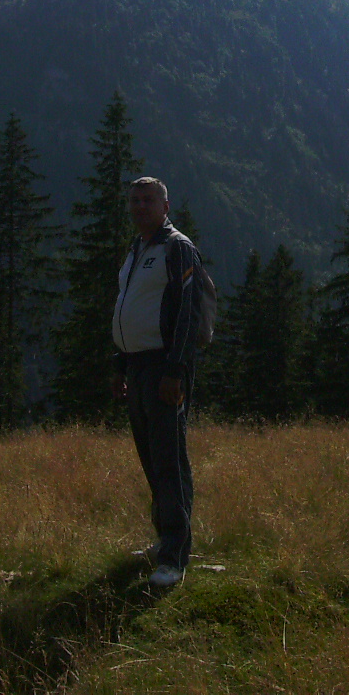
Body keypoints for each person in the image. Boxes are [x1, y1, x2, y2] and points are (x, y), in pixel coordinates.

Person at [111, 175, 199, 588]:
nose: (140, 206)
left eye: (148, 200)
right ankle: (166, 537)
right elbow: (129, 309)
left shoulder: (176, 247)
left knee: (169, 460)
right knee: (151, 458)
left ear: (166, 206)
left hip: (164, 368)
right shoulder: (136, 250)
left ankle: (174, 558)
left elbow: (187, 313)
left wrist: (176, 370)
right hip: (137, 367)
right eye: (134, 200)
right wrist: (120, 366)